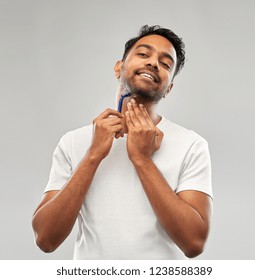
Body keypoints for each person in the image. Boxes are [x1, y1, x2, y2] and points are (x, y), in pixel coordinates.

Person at [32, 25, 213, 260]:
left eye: (166, 63)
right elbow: (45, 239)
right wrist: (93, 155)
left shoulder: (191, 145)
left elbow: (194, 243)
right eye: (143, 54)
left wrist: (142, 159)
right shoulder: (73, 142)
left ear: (169, 88)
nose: (153, 63)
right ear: (119, 68)